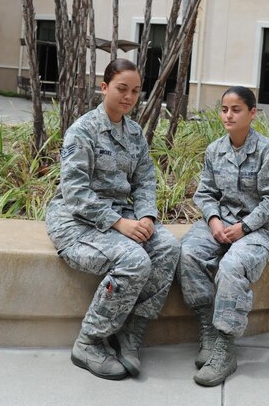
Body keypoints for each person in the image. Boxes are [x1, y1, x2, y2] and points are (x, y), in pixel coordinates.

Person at [45, 58, 180, 380]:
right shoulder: (83, 131)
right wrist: (120, 224)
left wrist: (146, 215)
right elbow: (75, 193)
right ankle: (89, 342)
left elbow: (146, 179)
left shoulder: (134, 132)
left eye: (135, 91)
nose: (129, 97)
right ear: (104, 87)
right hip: (77, 221)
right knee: (134, 260)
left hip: (125, 216)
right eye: (122, 88)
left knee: (169, 248)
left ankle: (130, 333)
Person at [178, 86, 269, 386]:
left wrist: (244, 228)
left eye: (236, 109)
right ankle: (208, 329)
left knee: (231, 267)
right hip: (221, 223)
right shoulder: (215, 150)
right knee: (187, 253)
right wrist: (213, 220)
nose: (228, 115)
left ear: (252, 114)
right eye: (224, 109)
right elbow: (205, 193)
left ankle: (225, 347)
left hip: (257, 230)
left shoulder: (268, 151)